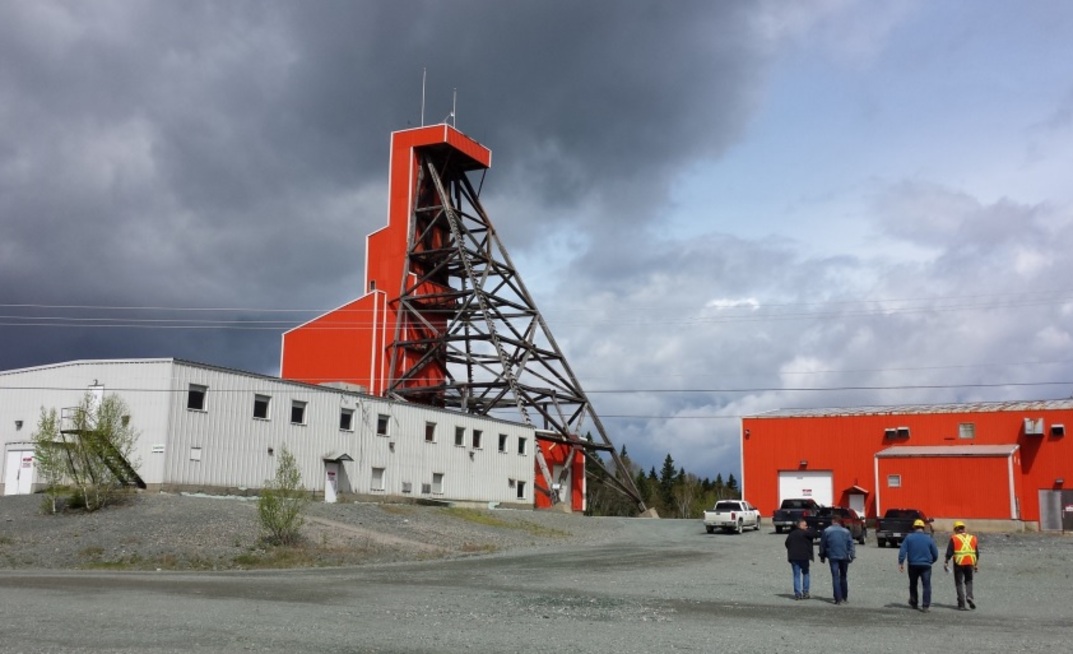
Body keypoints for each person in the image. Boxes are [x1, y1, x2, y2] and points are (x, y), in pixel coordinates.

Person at [898, 518, 939, 612]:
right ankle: (925, 606)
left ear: (914, 527)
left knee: (913, 584)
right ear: (923, 528)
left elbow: (903, 551)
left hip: (913, 564)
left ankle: (914, 602)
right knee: (926, 585)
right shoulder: (929, 538)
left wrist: (901, 562)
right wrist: (931, 561)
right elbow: (935, 553)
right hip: (926, 565)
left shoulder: (909, 537)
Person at [819, 514, 855, 605]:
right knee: (843, 576)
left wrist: (822, 556)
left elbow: (822, 544)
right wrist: (852, 555)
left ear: (833, 521)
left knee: (835, 577)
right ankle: (844, 597)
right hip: (844, 556)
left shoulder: (827, 531)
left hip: (832, 556)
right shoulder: (846, 531)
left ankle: (837, 598)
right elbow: (851, 544)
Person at [944, 520, 979, 610]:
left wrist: (946, 561)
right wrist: (976, 564)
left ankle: (961, 604)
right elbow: (976, 553)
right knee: (969, 581)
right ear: (964, 528)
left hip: (958, 563)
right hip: (970, 562)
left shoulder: (954, 538)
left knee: (959, 583)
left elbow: (949, 551)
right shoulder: (973, 538)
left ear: (956, 529)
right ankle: (969, 596)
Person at [784, 519, 817, 600]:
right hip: (804, 557)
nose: (806, 526)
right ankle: (805, 592)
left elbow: (787, 543)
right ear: (800, 525)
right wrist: (810, 529)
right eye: (805, 525)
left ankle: (798, 593)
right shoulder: (807, 533)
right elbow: (815, 534)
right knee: (806, 574)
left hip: (794, 557)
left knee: (796, 575)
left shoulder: (792, 534)